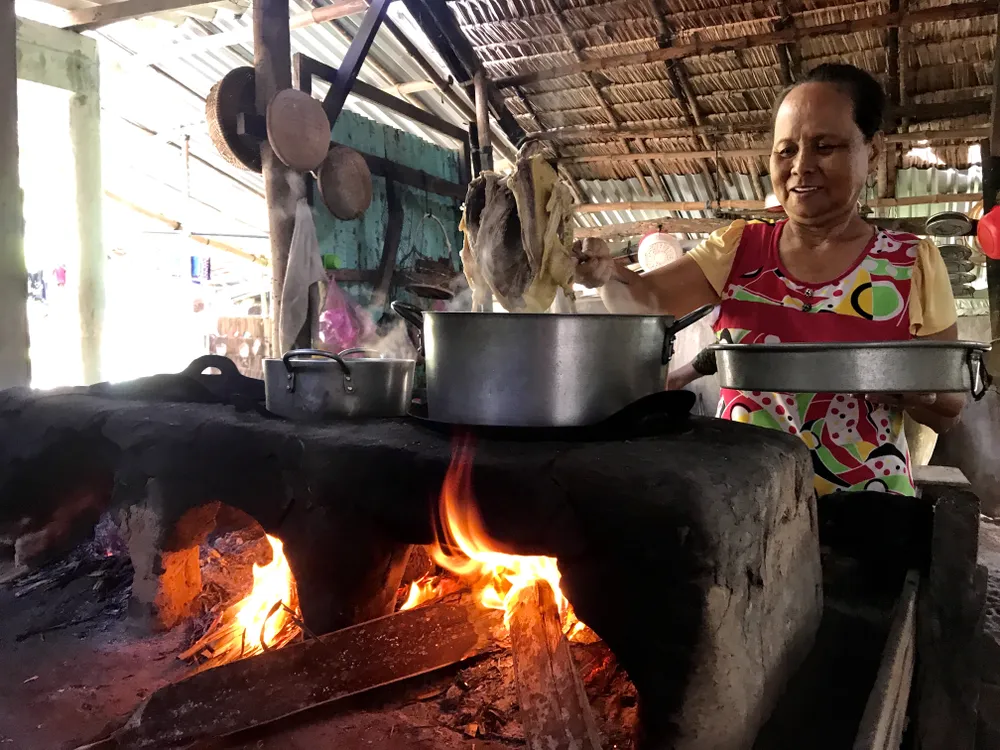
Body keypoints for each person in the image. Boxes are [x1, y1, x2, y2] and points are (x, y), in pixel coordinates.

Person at [575, 63, 964, 498]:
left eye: (824, 146)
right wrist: (604, 274)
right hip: (744, 505)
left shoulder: (910, 261)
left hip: (866, 508)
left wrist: (913, 392)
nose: (802, 166)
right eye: (786, 150)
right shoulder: (739, 246)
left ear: (872, 150)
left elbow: (948, 409)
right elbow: (644, 303)